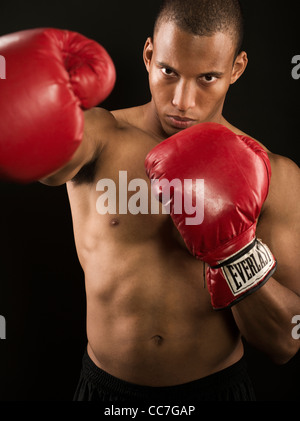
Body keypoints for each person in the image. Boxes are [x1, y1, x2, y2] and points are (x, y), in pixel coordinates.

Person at [0, 0, 299, 402]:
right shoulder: (99, 138)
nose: (182, 100)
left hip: (217, 391)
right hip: (104, 392)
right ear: (148, 55)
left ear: (236, 69)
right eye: (168, 71)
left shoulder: (275, 175)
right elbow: (43, 157)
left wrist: (235, 252)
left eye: (207, 78)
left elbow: (286, 340)